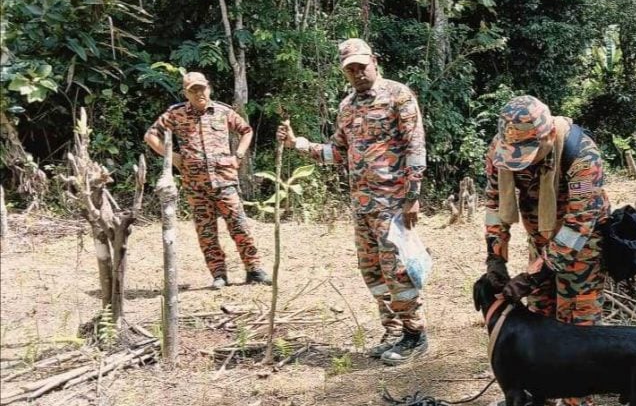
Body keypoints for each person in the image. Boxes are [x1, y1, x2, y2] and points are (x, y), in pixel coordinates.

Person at [277, 38, 428, 365]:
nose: (358, 73)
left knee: (396, 269)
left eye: (362, 66)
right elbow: (339, 153)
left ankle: (415, 335)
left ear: (374, 60)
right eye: (351, 69)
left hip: (392, 202)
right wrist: (298, 144)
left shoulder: (398, 95)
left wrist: (412, 198)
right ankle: (392, 331)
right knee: (371, 270)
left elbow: (415, 148)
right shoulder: (347, 107)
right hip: (361, 205)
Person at [483, 94, 608, 406]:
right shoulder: (500, 149)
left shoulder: (582, 155)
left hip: (582, 248)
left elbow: (581, 224)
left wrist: (537, 272)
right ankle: (537, 391)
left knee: (576, 326)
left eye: (528, 156)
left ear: (547, 137)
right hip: (540, 241)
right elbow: (494, 205)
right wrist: (495, 255)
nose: (520, 165)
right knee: (540, 319)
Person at [144, 72, 271, 289]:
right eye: (193, 90)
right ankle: (219, 274)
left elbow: (246, 131)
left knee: (240, 226)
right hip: (196, 186)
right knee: (206, 232)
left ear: (209, 88)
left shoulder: (223, 112)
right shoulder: (176, 114)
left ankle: (254, 269)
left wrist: (238, 156)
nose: (198, 93)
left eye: (201, 88)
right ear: (186, 93)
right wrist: (172, 157)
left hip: (224, 181)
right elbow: (150, 136)